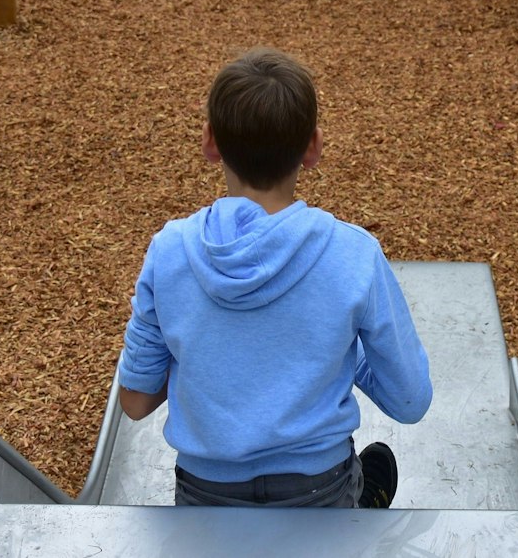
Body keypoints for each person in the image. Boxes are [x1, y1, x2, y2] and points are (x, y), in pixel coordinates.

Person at [116, 48, 432, 509]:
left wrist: (202, 350)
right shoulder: (352, 254)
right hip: (318, 488)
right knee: (372, 469)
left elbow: (136, 402)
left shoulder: (169, 252)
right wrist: (342, 349)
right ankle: (364, 506)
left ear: (209, 142)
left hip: (205, 495)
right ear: (313, 148)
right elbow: (410, 402)